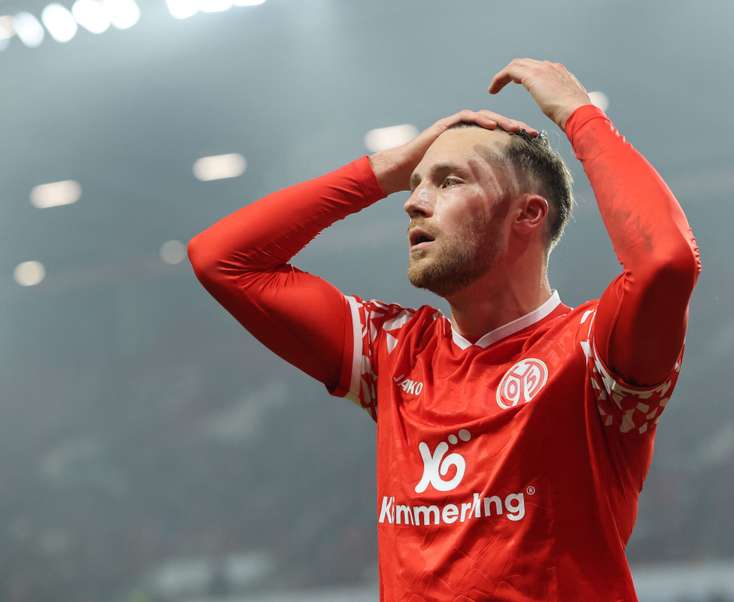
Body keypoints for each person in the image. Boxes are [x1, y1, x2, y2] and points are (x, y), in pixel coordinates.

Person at [188, 58, 702, 601]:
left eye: (448, 181)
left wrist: (580, 116)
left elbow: (667, 261)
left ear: (527, 215)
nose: (412, 202)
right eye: (413, 185)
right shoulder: (393, 351)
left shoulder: (595, 351)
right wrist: (386, 168)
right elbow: (221, 260)